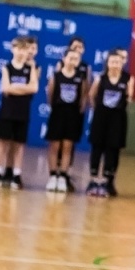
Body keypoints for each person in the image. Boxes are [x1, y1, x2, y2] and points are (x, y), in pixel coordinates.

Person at [0, 34, 37, 187]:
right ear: (13, 49)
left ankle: (16, 174)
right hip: (7, 110)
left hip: (23, 111)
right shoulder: (7, 68)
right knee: (3, 142)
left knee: (19, 144)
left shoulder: (30, 68)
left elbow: (34, 88)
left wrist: (16, 88)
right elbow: (6, 88)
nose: (21, 52)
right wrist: (24, 88)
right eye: (18, 49)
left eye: (24, 49)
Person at [86, 48, 133, 197]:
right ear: (107, 63)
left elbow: (129, 98)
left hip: (117, 119)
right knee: (97, 147)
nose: (115, 64)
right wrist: (98, 109)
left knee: (113, 149)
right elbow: (91, 95)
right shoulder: (100, 78)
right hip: (101, 117)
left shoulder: (128, 79)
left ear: (122, 63)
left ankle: (108, 181)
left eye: (118, 62)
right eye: (112, 62)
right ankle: (93, 180)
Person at [44, 37, 88, 193]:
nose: (73, 61)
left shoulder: (80, 77)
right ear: (64, 59)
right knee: (54, 146)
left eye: (76, 59)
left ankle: (63, 175)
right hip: (58, 113)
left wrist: (78, 110)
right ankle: (52, 176)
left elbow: (82, 96)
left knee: (68, 146)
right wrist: (55, 107)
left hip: (72, 115)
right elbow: (50, 95)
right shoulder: (56, 76)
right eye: (70, 58)